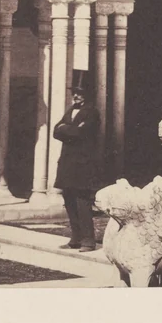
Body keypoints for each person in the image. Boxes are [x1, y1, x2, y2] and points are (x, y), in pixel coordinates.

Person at [53, 70, 102, 251]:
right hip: (67, 164)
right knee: (69, 200)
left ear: (87, 95)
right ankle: (75, 238)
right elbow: (55, 131)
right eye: (74, 92)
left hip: (83, 165)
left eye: (80, 93)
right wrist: (70, 128)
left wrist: (67, 129)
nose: (75, 95)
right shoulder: (70, 111)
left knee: (82, 202)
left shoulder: (92, 113)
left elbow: (81, 133)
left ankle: (88, 240)